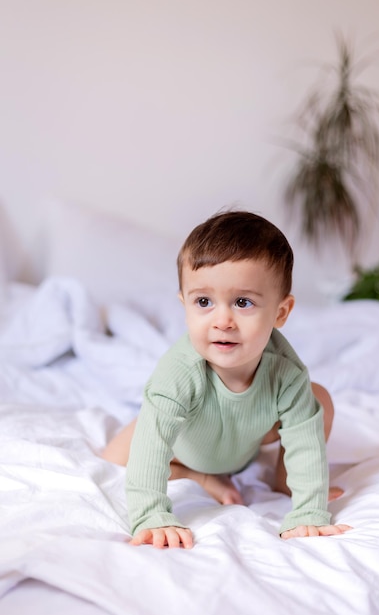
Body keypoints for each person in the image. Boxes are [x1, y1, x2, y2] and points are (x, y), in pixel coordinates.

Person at [102, 210, 351, 548]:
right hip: (182, 445)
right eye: (203, 301)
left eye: (242, 302)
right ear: (184, 305)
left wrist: (309, 509)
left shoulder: (285, 371)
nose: (222, 320)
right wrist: (151, 515)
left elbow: (305, 438)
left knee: (316, 397)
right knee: (118, 456)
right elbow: (152, 450)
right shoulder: (178, 372)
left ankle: (285, 482)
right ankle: (198, 476)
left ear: (281, 312)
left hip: (243, 439)